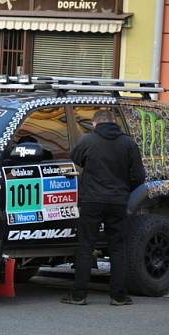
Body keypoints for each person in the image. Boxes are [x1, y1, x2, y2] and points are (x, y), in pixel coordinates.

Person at [62, 109, 146, 306]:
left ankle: (78, 295)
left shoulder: (87, 141)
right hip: (118, 201)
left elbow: (75, 159)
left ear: (95, 123)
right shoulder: (129, 143)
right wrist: (124, 190)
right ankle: (118, 296)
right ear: (113, 122)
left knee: (85, 247)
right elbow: (139, 176)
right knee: (118, 248)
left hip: (91, 201)